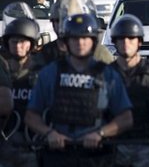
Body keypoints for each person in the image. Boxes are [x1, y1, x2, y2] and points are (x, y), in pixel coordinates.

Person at [25, 13, 133, 167]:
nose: (80, 43)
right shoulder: (50, 73)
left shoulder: (108, 74)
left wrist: (100, 133)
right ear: (66, 42)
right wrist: (49, 133)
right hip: (59, 155)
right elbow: (31, 116)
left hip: (96, 156)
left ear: (93, 41)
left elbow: (126, 118)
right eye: (75, 38)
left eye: (85, 38)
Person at [109, 14, 149, 167]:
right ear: (115, 42)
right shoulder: (106, 74)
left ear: (139, 42)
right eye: (121, 39)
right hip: (114, 147)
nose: (126, 43)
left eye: (131, 38)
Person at [0, 17, 45, 167]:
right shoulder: (2, 72)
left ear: (32, 44)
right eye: (14, 42)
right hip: (5, 141)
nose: (18, 46)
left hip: (33, 142)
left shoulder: (43, 73)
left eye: (23, 42)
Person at [40, 0, 114, 65]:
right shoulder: (46, 52)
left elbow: (110, 75)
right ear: (52, 23)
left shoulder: (98, 50)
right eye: (58, 20)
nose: (62, 25)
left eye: (68, 21)